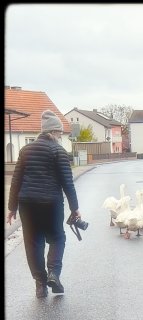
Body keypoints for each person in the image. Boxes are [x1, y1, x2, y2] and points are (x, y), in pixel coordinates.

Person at [7, 110, 81, 299]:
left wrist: (11, 208)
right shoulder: (59, 151)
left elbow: (16, 180)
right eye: (59, 133)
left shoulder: (25, 150)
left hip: (27, 204)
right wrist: (75, 208)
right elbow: (67, 183)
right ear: (54, 132)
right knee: (57, 238)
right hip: (51, 203)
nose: (60, 137)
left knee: (33, 243)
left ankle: (40, 285)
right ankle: (54, 273)